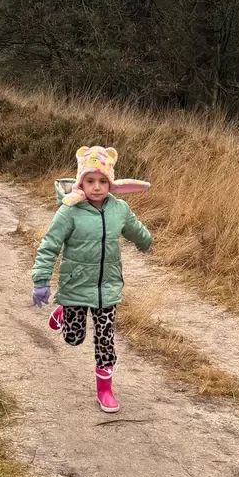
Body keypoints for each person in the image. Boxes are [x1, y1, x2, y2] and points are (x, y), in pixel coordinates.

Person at [31, 145, 152, 413]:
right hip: (75, 285)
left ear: (110, 183)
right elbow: (50, 245)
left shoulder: (119, 209)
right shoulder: (69, 212)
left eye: (102, 181)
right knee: (73, 339)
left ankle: (105, 389)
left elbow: (134, 228)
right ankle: (64, 311)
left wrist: (146, 241)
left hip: (107, 287)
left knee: (105, 336)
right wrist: (41, 281)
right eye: (90, 181)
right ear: (80, 182)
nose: (96, 187)